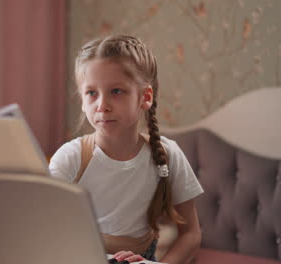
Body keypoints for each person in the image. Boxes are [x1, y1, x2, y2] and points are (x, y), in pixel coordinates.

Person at [49, 35, 204, 264]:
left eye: (116, 91)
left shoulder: (168, 155)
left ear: (145, 97)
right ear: (82, 101)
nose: (102, 105)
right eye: (91, 93)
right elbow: (43, 229)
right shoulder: (70, 157)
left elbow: (191, 234)